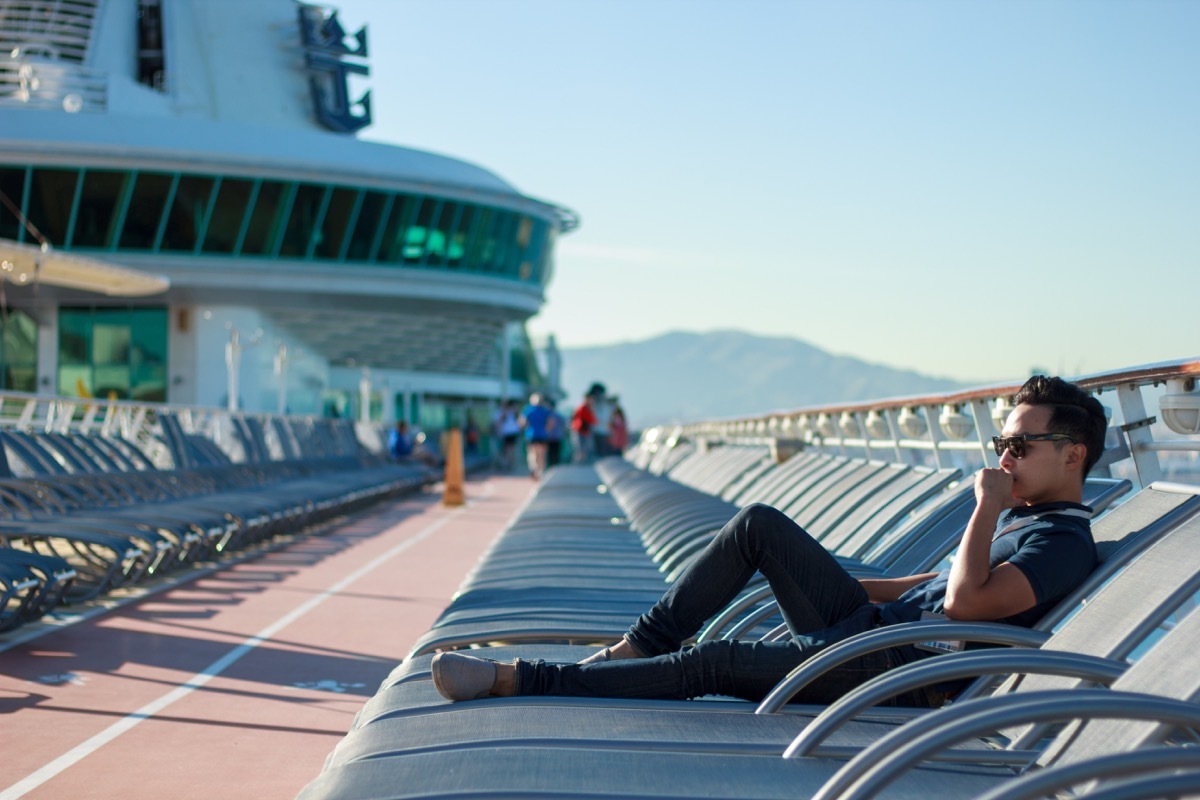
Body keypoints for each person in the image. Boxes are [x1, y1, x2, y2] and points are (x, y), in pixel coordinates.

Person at [432, 375, 1107, 706]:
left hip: (897, 669)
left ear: (1073, 455)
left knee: (717, 662)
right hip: (873, 626)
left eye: (1019, 445)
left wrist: (985, 507)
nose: (1005, 458)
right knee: (759, 526)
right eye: (1001, 444)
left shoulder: (1063, 544)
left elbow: (962, 607)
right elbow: (927, 588)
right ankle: (641, 642)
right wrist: (812, 584)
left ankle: (522, 680)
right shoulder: (1027, 520)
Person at [521, 393, 552, 480]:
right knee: (541, 455)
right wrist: (546, 431)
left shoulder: (528, 410)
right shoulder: (545, 410)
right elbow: (550, 423)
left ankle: (533, 468)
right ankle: (540, 471)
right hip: (542, 435)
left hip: (531, 435)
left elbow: (523, 422)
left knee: (532, 453)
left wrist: (526, 428)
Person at [571, 385, 601, 463]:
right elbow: (590, 419)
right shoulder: (582, 408)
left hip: (585, 432)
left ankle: (582, 462)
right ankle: (578, 463)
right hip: (579, 431)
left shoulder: (589, 408)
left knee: (585, 449)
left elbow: (594, 420)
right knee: (580, 449)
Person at [492, 400, 521, 471]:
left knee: (512, 449)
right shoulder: (499, 413)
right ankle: (505, 462)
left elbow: (519, 420)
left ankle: (511, 462)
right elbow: (497, 423)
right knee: (505, 449)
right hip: (504, 434)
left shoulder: (513, 412)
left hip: (513, 433)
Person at [545, 399, 566, 468]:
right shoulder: (558, 415)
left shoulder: (548, 415)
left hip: (550, 437)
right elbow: (563, 425)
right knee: (555, 453)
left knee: (551, 453)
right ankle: (555, 467)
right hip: (557, 436)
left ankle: (552, 467)